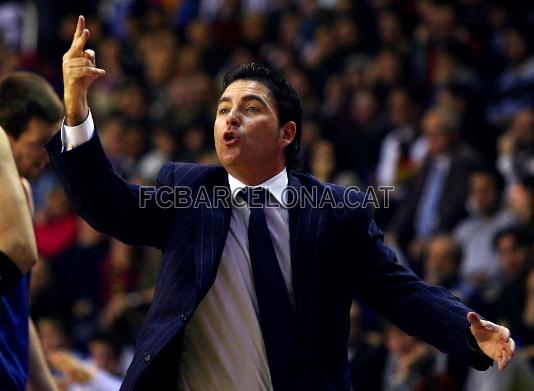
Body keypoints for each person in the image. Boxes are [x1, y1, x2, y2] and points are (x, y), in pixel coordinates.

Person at [47, 16, 515, 391]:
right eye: (223, 108)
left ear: (286, 133)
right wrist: (76, 112)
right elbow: (109, 205)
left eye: (250, 108)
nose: (231, 116)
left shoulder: (336, 211)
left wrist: (465, 331)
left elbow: (400, 292)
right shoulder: (187, 193)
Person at [0, 72, 63, 390]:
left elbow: (17, 309)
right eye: (38, 144)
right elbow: (21, 251)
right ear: (6, 137)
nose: (47, 156)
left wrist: (45, 386)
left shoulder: (22, 190)